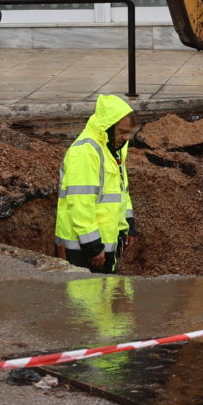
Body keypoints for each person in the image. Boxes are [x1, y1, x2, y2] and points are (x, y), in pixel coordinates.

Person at [55, 92, 139, 274]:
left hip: (104, 243)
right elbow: (80, 202)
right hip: (82, 249)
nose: (127, 138)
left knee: (105, 292)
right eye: (123, 132)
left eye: (129, 133)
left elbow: (121, 191)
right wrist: (92, 246)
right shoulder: (85, 152)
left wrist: (128, 225)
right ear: (107, 127)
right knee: (85, 293)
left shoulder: (113, 150)